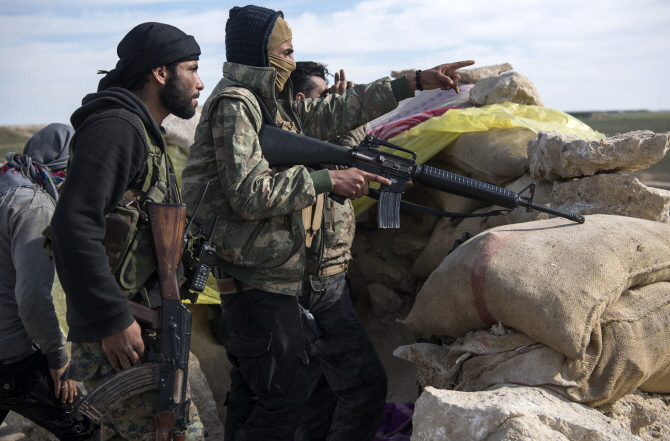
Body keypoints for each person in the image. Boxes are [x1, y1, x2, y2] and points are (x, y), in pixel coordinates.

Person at [181, 5, 473, 440]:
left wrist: (412, 82)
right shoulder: (237, 105)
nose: (293, 61)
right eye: (287, 50)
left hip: (274, 275)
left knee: (265, 398)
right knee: (278, 405)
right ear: (262, 53)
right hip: (256, 281)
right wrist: (327, 178)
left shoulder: (266, 102)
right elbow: (248, 193)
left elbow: (336, 111)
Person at [50, 22, 206, 441]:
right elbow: (72, 226)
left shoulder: (140, 131)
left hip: (142, 325)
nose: (200, 82)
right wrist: (112, 319)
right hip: (121, 332)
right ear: (160, 73)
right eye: (191, 68)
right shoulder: (116, 128)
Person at [287, 61, 384, 441]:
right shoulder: (295, 142)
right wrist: (348, 116)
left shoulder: (302, 138)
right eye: (322, 98)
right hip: (317, 281)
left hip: (320, 276)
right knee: (365, 388)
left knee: (319, 392)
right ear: (299, 101)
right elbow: (354, 158)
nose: (331, 105)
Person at [0, 124, 99, 440]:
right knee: (90, 430)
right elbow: (32, 297)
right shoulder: (35, 205)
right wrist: (58, 358)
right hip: (15, 359)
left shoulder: (5, 186)